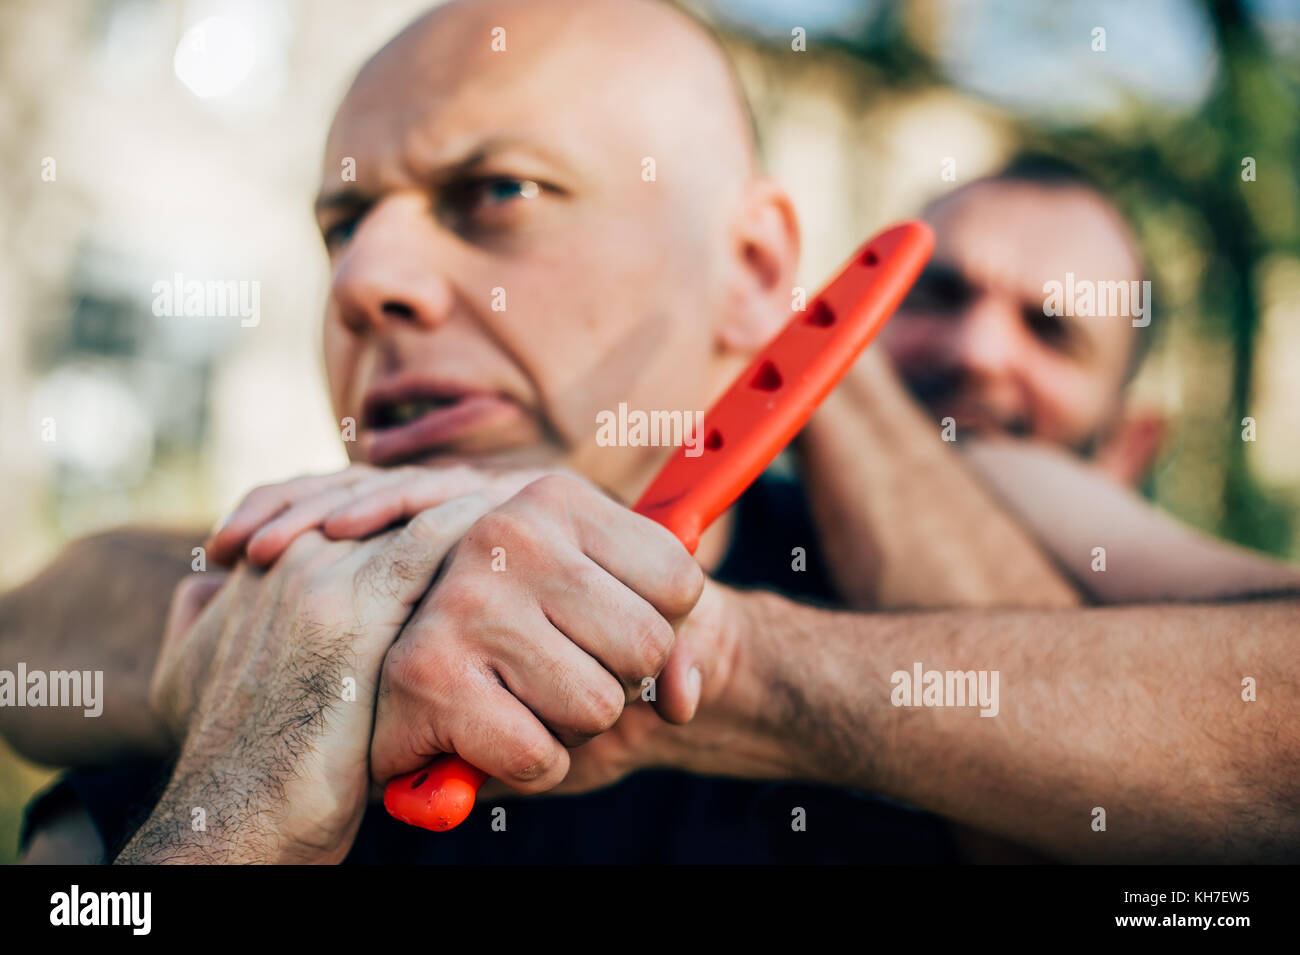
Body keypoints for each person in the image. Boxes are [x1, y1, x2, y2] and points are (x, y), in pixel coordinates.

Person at [6, 0, 1298, 864]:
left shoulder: (984, 561)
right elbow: (31, 638)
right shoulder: (257, 640)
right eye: (344, 225)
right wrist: (230, 750)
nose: (361, 282)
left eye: (498, 192)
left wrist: (713, 659)